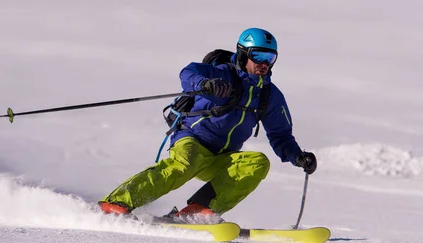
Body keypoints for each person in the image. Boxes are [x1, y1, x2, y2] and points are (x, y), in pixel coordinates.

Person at [98, 27, 317, 219]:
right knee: (184, 164)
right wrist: (206, 84)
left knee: (257, 162)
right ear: (243, 54)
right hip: (192, 140)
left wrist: (298, 156)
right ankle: (116, 202)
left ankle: (198, 210)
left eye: (270, 58)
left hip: (221, 156)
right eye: (258, 56)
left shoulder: (269, 95)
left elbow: (280, 135)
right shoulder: (222, 74)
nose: (264, 64)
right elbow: (188, 72)